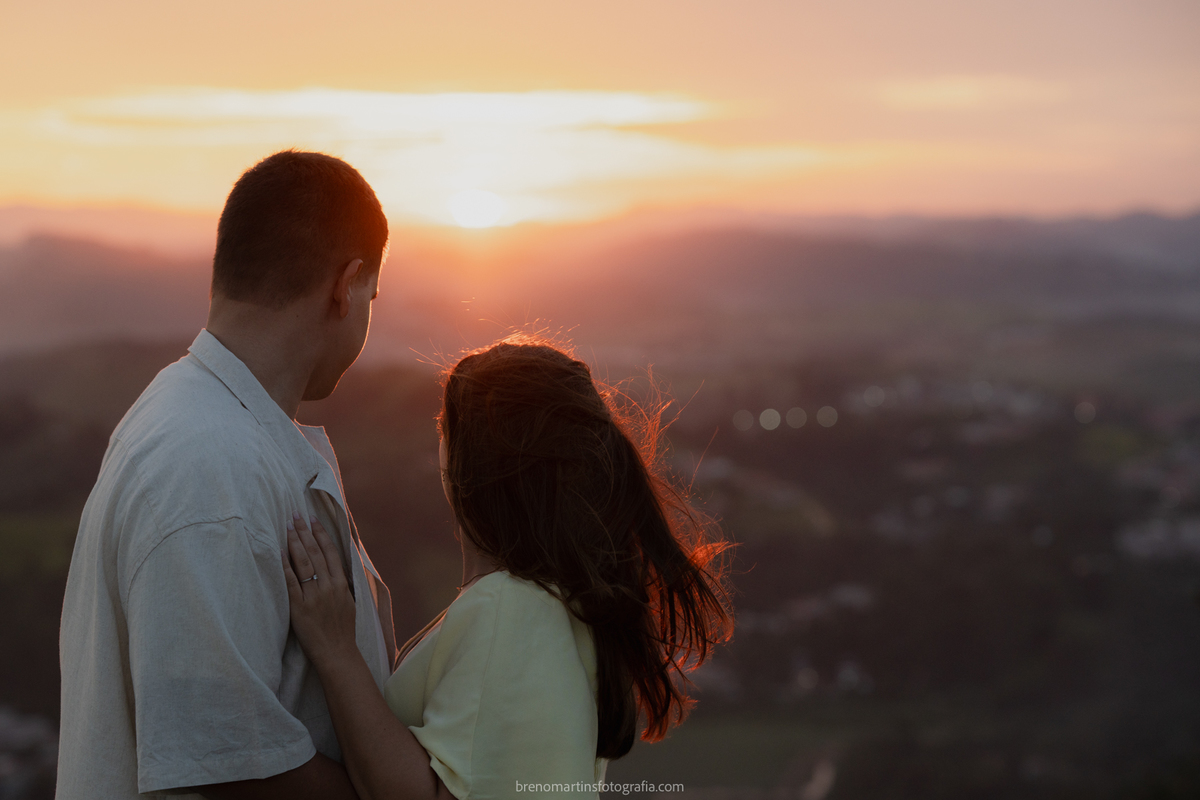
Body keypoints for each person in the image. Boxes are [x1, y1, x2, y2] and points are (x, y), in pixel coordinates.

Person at [57, 150, 396, 800]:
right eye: (372, 296)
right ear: (344, 286)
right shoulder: (208, 466)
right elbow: (234, 772)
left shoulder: (206, 425)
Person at [281, 337, 734, 800]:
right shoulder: (558, 604)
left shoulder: (511, 608)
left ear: (464, 464)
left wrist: (338, 653)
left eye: (445, 427)